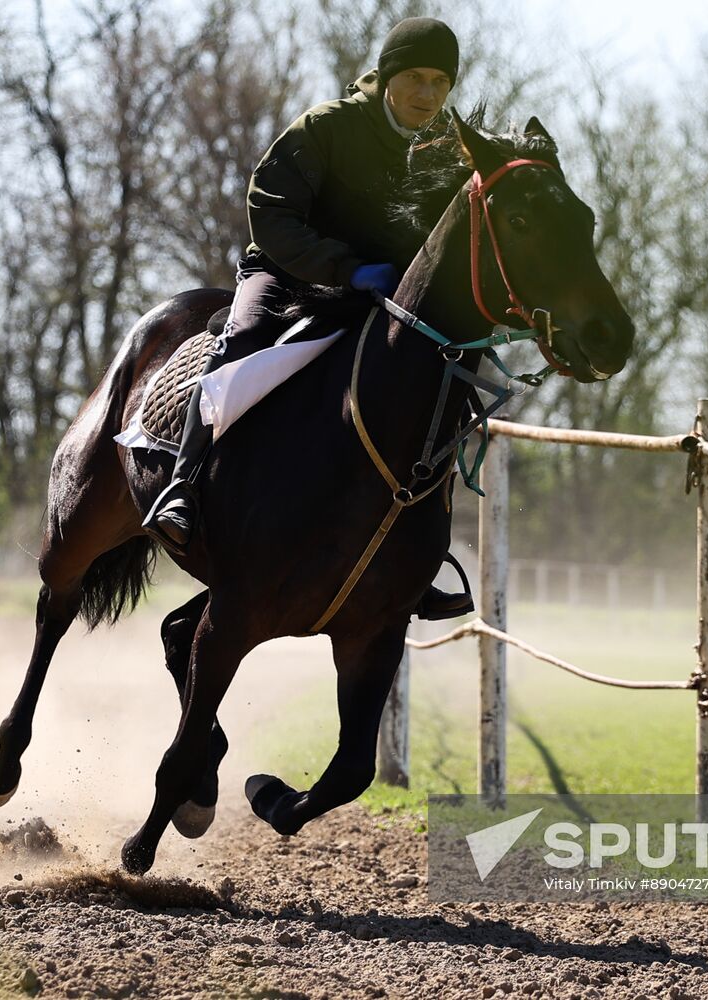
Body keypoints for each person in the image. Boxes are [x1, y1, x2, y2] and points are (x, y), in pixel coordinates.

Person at [142, 16, 473, 620]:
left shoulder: (446, 151)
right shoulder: (328, 127)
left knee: (436, 392)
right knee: (239, 345)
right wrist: (344, 267)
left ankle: (413, 557)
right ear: (389, 75)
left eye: (440, 82)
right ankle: (181, 490)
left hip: (384, 293)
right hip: (285, 274)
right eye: (416, 78)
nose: (428, 94)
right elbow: (268, 212)